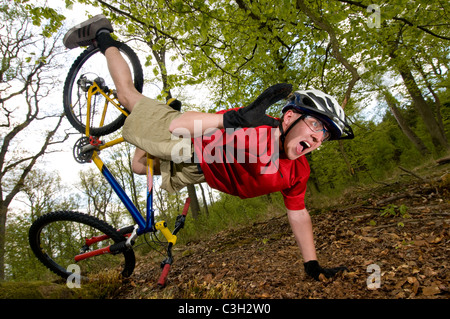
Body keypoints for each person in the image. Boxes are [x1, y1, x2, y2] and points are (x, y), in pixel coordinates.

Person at [63, 15, 354, 281]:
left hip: (203, 172)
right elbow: (179, 127)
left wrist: (311, 265)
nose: (318, 139)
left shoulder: (298, 171)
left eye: (325, 135)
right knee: (128, 98)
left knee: (137, 166)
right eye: (316, 125)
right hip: (192, 145)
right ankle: (102, 34)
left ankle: (146, 127)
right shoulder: (253, 125)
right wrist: (232, 120)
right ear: (289, 117)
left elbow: (299, 213)